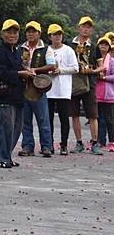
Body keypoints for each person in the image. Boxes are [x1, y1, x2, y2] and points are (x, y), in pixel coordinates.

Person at [0, 19, 34, 169]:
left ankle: (7, 156)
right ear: (2, 34)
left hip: (17, 95)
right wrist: (19, 73)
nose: (12, 35)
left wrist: (28, 71)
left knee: (17, 127)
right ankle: (0, 158)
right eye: (9, 32)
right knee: (5, 127)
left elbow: (18, 68)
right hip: (4, 94)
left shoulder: (17, 52)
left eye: (15, 32)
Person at [18, 21, 56, 158]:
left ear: (39, 34)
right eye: (28, 31)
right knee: (25, 120)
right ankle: (27, 146)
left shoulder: (46, 48)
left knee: (43, 119)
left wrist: (35, 70)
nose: (31, 34)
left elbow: (52, 65)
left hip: (39, 88)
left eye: (34, 31)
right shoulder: (20, 48)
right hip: (24, 87)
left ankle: (46, 146)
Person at [69, 16, 102, 155]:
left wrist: (93, 71)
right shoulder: (69, 45)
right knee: (74, 114)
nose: (86, 29)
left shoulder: (94, 47)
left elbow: (101, 67)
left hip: (89, 83)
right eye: (84, 26)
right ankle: (79, 143)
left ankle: (95, 142)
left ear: (91, 30)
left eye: (89, 27)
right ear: (79, 28)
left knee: (93, 115)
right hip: (73, 82)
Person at [46, 24, 78, 155]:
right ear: (50, 36)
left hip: (63, 90)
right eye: (54, 34)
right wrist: (49, 71)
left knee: (64, 118)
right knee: (48, 119)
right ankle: (49, 144)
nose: (57, 36)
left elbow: (76, 68)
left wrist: (61, 70)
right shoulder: (46, 50)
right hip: (48, 89)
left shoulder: (68, 50)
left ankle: (64, 144)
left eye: (59, 34)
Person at [95, 36, 114, 150]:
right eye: (101, 44)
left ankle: (112, 141)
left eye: (106, 45)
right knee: (97, 119)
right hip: (96, 94)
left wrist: (104, 77)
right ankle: (99, 141)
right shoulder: (94, 59)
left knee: (110, 120)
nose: (103, 46)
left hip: (108, 95)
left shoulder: (112, 61)